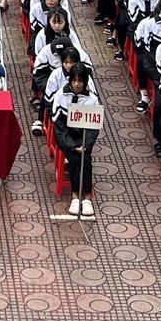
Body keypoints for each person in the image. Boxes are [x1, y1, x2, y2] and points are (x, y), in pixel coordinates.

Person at [50, 61, 101, 218]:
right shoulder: (60, 96)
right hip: (66, 137)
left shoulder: (92, 99)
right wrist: (72, 146)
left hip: (84, 138)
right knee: (74, 157)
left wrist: (86, 144)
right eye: (74, 80)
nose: (77, 84)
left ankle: (87, 196)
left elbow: (94, 128)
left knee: (85, 158)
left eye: (80, 81)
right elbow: (58, 126)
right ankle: (74, 195)